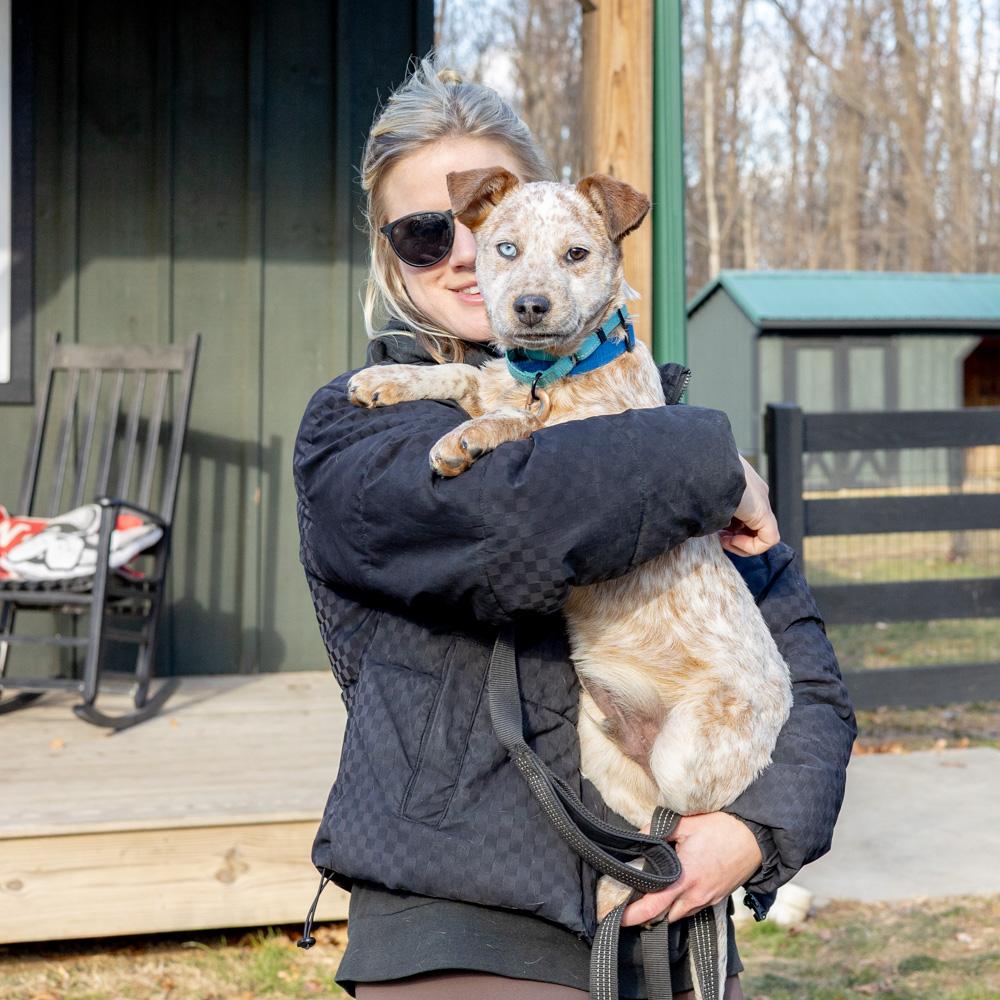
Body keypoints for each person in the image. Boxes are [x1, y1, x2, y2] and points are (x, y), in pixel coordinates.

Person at [293, 57, 856, 1000]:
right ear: (389, 254)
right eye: (431, 234)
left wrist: (757, 833)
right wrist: (711, 459)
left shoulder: (655, 421)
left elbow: (803, 674)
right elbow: (516, 522)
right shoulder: (356, 427)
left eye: (520, 232)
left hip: (660, 918)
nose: (476, 256)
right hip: (462, 928)